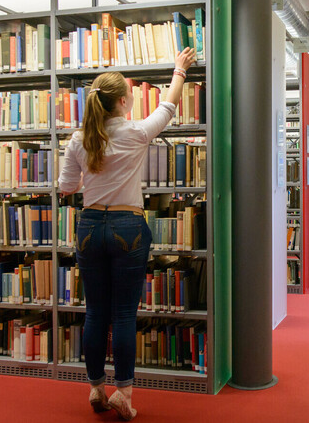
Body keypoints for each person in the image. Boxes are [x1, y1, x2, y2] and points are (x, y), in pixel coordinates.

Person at [58, 46, 196, 420]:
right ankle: (124, 393)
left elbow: (66, 187)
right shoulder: (135, 132)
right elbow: (167, 108)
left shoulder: (78, 139)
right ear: (122, 101)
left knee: (95, 313)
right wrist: (179, 71)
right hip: (127, 226)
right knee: (122, 314)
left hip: (89, 227)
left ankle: (95, 388)